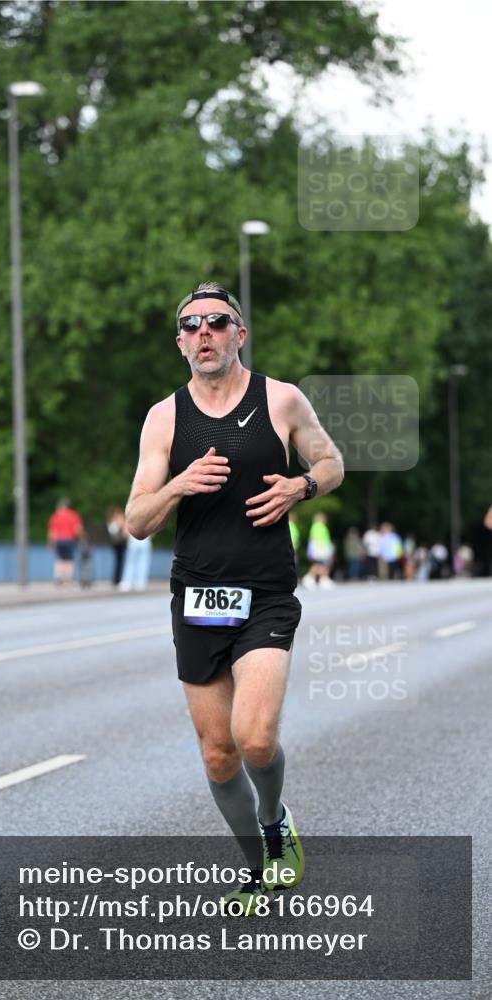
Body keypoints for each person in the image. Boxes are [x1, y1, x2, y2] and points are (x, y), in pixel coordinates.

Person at [125, 281, 344, 912]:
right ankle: (258, 866)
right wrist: (179, 486)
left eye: (216, 323)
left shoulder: (281, 400)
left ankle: (275, 822)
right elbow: (138, 520)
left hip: (266, 592)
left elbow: (331, 463)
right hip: (196, 597)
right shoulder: (164, 418)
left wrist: (301, 488)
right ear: (179, 343)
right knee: (218, 752)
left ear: (239, 334)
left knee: (253, 736)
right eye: (191, 326)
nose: (204, 335)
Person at [47, 498, 83, 586]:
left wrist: (51, 543)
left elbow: (52, 532)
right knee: (69, 560)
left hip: (59, 540)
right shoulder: (74, 515)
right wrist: (81, 539)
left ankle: (58, 577)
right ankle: (67, 580)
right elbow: (78, 530)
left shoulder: (55, 516)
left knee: (59, 559)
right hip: (70, 540)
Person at [302, 512, 335, 590]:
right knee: (320, 564)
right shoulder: (319, 526)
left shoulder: (317, 526)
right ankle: (316, 579)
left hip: (320, 548)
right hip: (320, 548)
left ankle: (320, 579)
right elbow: (318, 538)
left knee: (320, 564)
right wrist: (322, 549)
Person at [106, 505, 128, 585]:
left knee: (119, 561)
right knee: (119, 561)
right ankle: (117, 579)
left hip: (118, 543)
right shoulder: (113, 523)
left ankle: (117, 578)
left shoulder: (112, 522)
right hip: (118, 544)